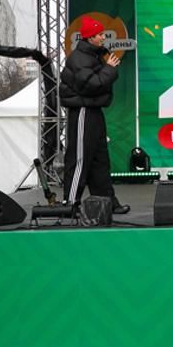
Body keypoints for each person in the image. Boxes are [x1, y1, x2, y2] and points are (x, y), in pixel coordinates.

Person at [59, 15, 130, 213]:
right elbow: (91, 85)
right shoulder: (79, 58)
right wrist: (110, 69)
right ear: (90, 38)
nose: (103, 37)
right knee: (80, 158)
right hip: (82, 111)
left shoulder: (93, 56)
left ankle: (106, 202)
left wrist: (107, 68)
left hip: (93, 110)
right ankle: (70, 203)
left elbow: (96, 83)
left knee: (99, 159)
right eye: (100, 35)